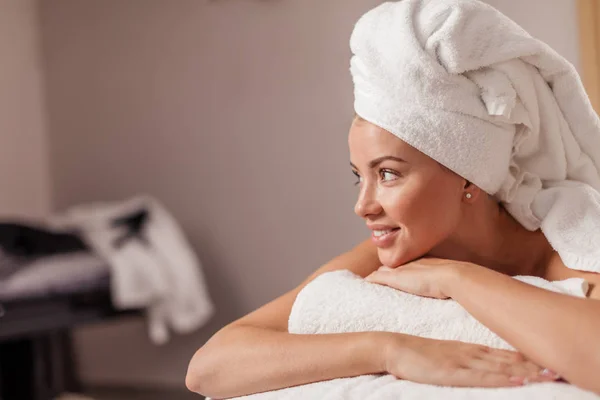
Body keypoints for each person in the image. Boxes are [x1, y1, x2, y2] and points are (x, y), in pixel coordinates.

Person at [186, 0, 600, 398]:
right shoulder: (392, 253)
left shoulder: (571, 245)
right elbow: (210, 367)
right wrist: (391, 349)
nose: (363, 205)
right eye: (358, 177)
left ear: (468, 177)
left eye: (387, 174)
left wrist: (456, 278)